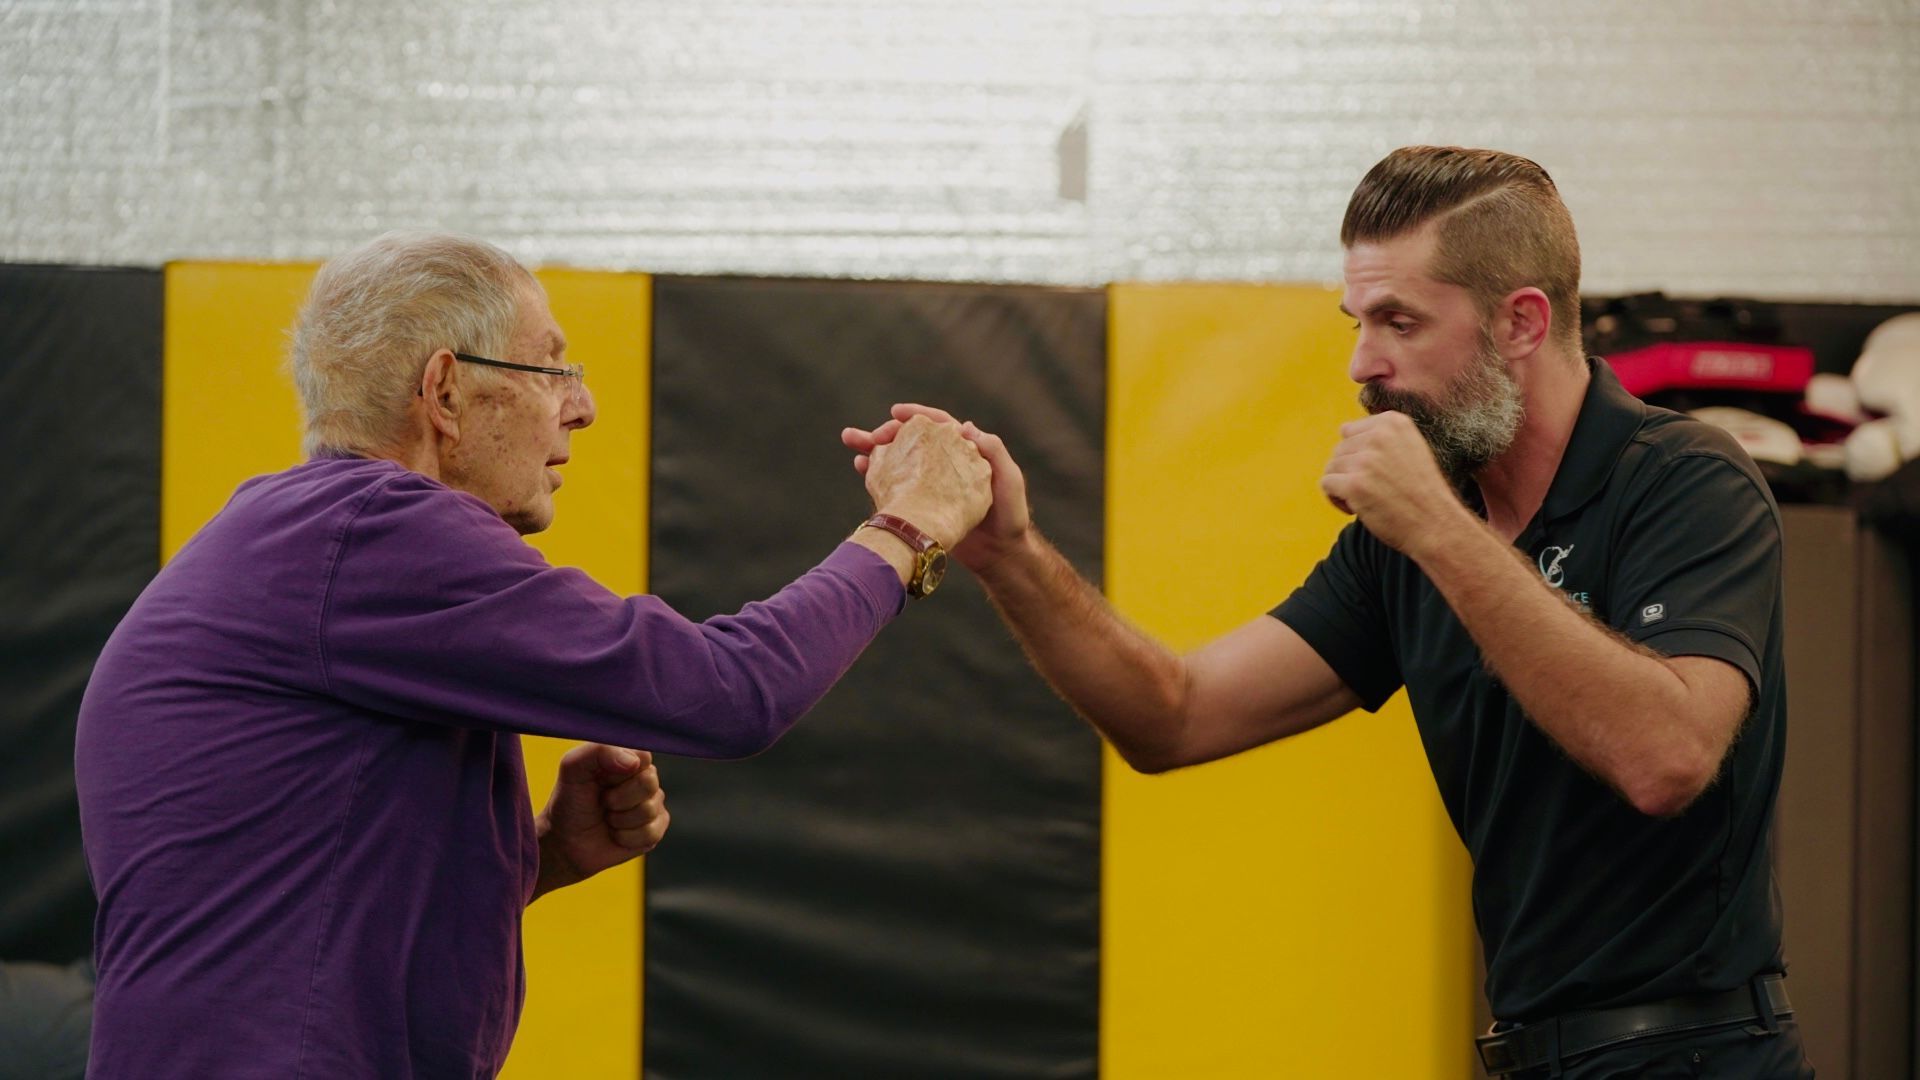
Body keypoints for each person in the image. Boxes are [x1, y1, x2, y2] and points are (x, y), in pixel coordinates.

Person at [845, 146, 1812, 1077]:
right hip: (1532, 1048)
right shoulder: (1420, 532)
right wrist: (1008, 553)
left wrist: (1439, 529)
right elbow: (1173, 716)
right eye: (1355, 319)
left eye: (1398, 321)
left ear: (1520, 323)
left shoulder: (1682, 482)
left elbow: (1667, 757)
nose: (1361, 362)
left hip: (1699, 1053)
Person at [75, 230, 992, 1078]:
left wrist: (537, 856)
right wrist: (911, 524)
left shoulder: (305, 545)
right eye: (552, 368)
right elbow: (730, 691)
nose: (582, 408)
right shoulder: (374, 533)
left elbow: (287, 904)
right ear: (445, 392)